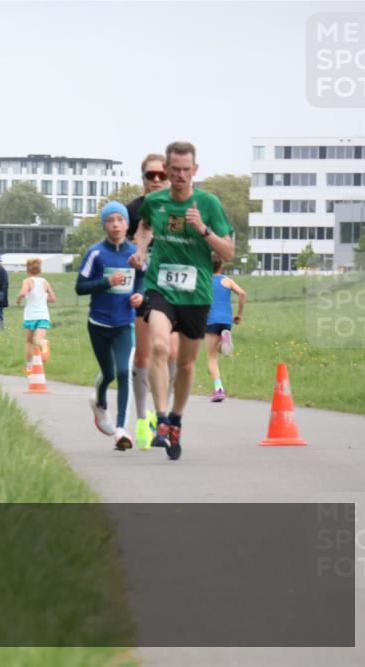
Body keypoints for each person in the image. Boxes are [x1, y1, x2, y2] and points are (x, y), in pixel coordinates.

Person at [129, 141, 235, 460]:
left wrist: (202, 230)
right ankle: (160, 420)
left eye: (184, 170)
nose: (177, 176)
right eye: (172, 169)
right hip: (162, 287)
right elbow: (145, 227)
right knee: (160, 348)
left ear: (195, 170)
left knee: (187, 364)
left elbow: (228, 252)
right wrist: (141, 249)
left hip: (197, 293)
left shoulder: (209, 203)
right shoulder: (155, 201)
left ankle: (176, 419)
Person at [76, 202, 145, 451]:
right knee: (108, 373)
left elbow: (142, 280)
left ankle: (121, 430)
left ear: (127, 224)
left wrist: (140, 296)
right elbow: (80, 287)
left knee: (125, 372)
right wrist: (106, 282)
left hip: (125, 324)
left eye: (120, 219)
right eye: (110, 220)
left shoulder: (136, 253)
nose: (115, 224)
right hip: (98, 323)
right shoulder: (96, 253)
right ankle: (99, 402)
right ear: (105, 225)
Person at [126, 153, 178, 449]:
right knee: (145, 354)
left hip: (175, 286)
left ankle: (164, 415)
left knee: (171, 352)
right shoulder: (134, 210)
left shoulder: (181, 208)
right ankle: (141, 417)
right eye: (151, 176)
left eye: (162, 175)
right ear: (143, 178)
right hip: (142, 286)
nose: (157, 180)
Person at [205, 258, 246, 402]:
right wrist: (239, 315)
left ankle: (218, 389)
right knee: (220, 349)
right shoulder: (227, 281)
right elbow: (242, 294)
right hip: (227, 320)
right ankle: (225, 341)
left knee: (211, 357)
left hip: (211, 320)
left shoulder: (205, 280)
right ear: (221, 266)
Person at [16, 257, 56, 375]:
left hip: (30, 316)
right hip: (43, 315)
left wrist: (19, 298)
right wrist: (42, 299)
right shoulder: (45, 282)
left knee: (29, 342)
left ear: (28, 270)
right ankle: (44, 345)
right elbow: (53, 299)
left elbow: (23, 293)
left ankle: (29, 367)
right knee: (38, 339)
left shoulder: (27, 281)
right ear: (39, 270)